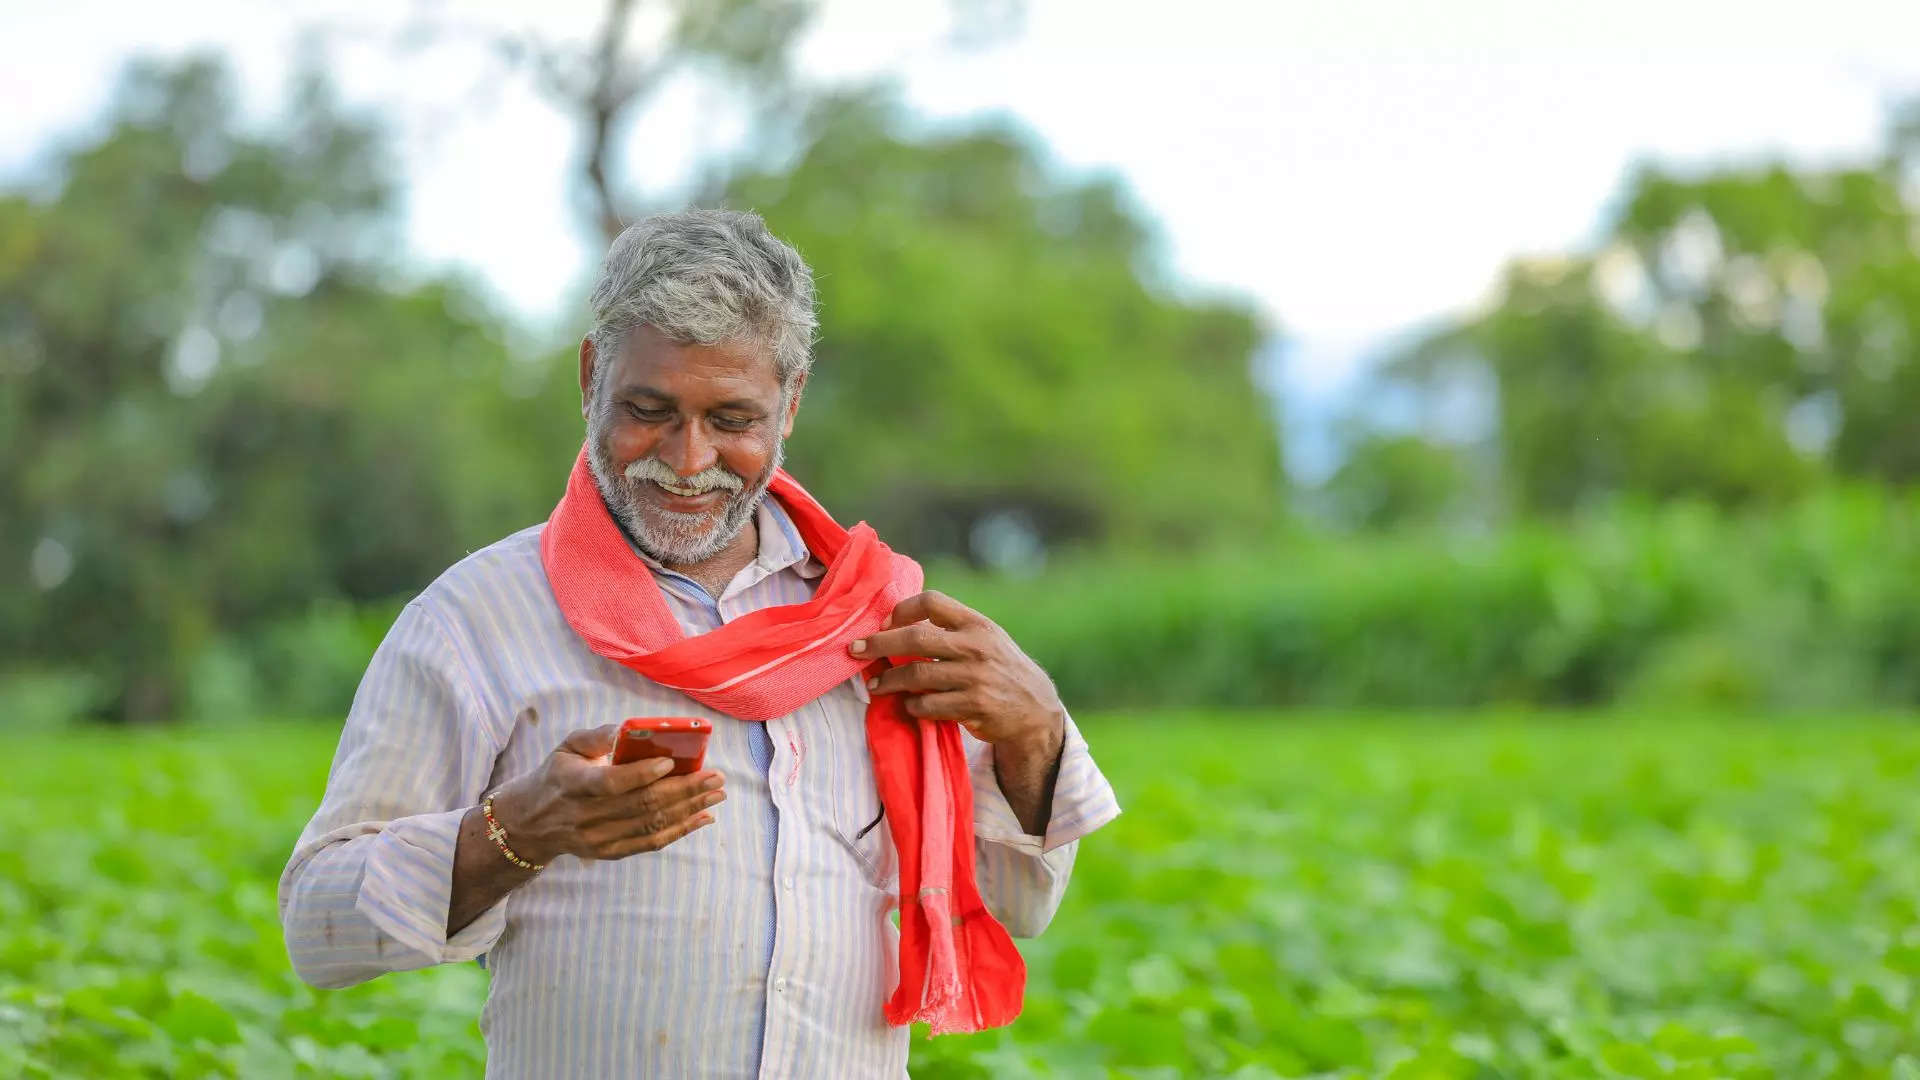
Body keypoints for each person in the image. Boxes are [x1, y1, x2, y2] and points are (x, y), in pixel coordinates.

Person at [278, 209, 1121, 1078]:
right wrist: (516, 831)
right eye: (649, 410)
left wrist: (1036, 734)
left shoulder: (879, 617)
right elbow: (316, 926)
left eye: (732, 418)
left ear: (791, 403)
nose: (688, 460)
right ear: (590, 376)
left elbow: (1015, 901)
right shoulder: (478, 618)